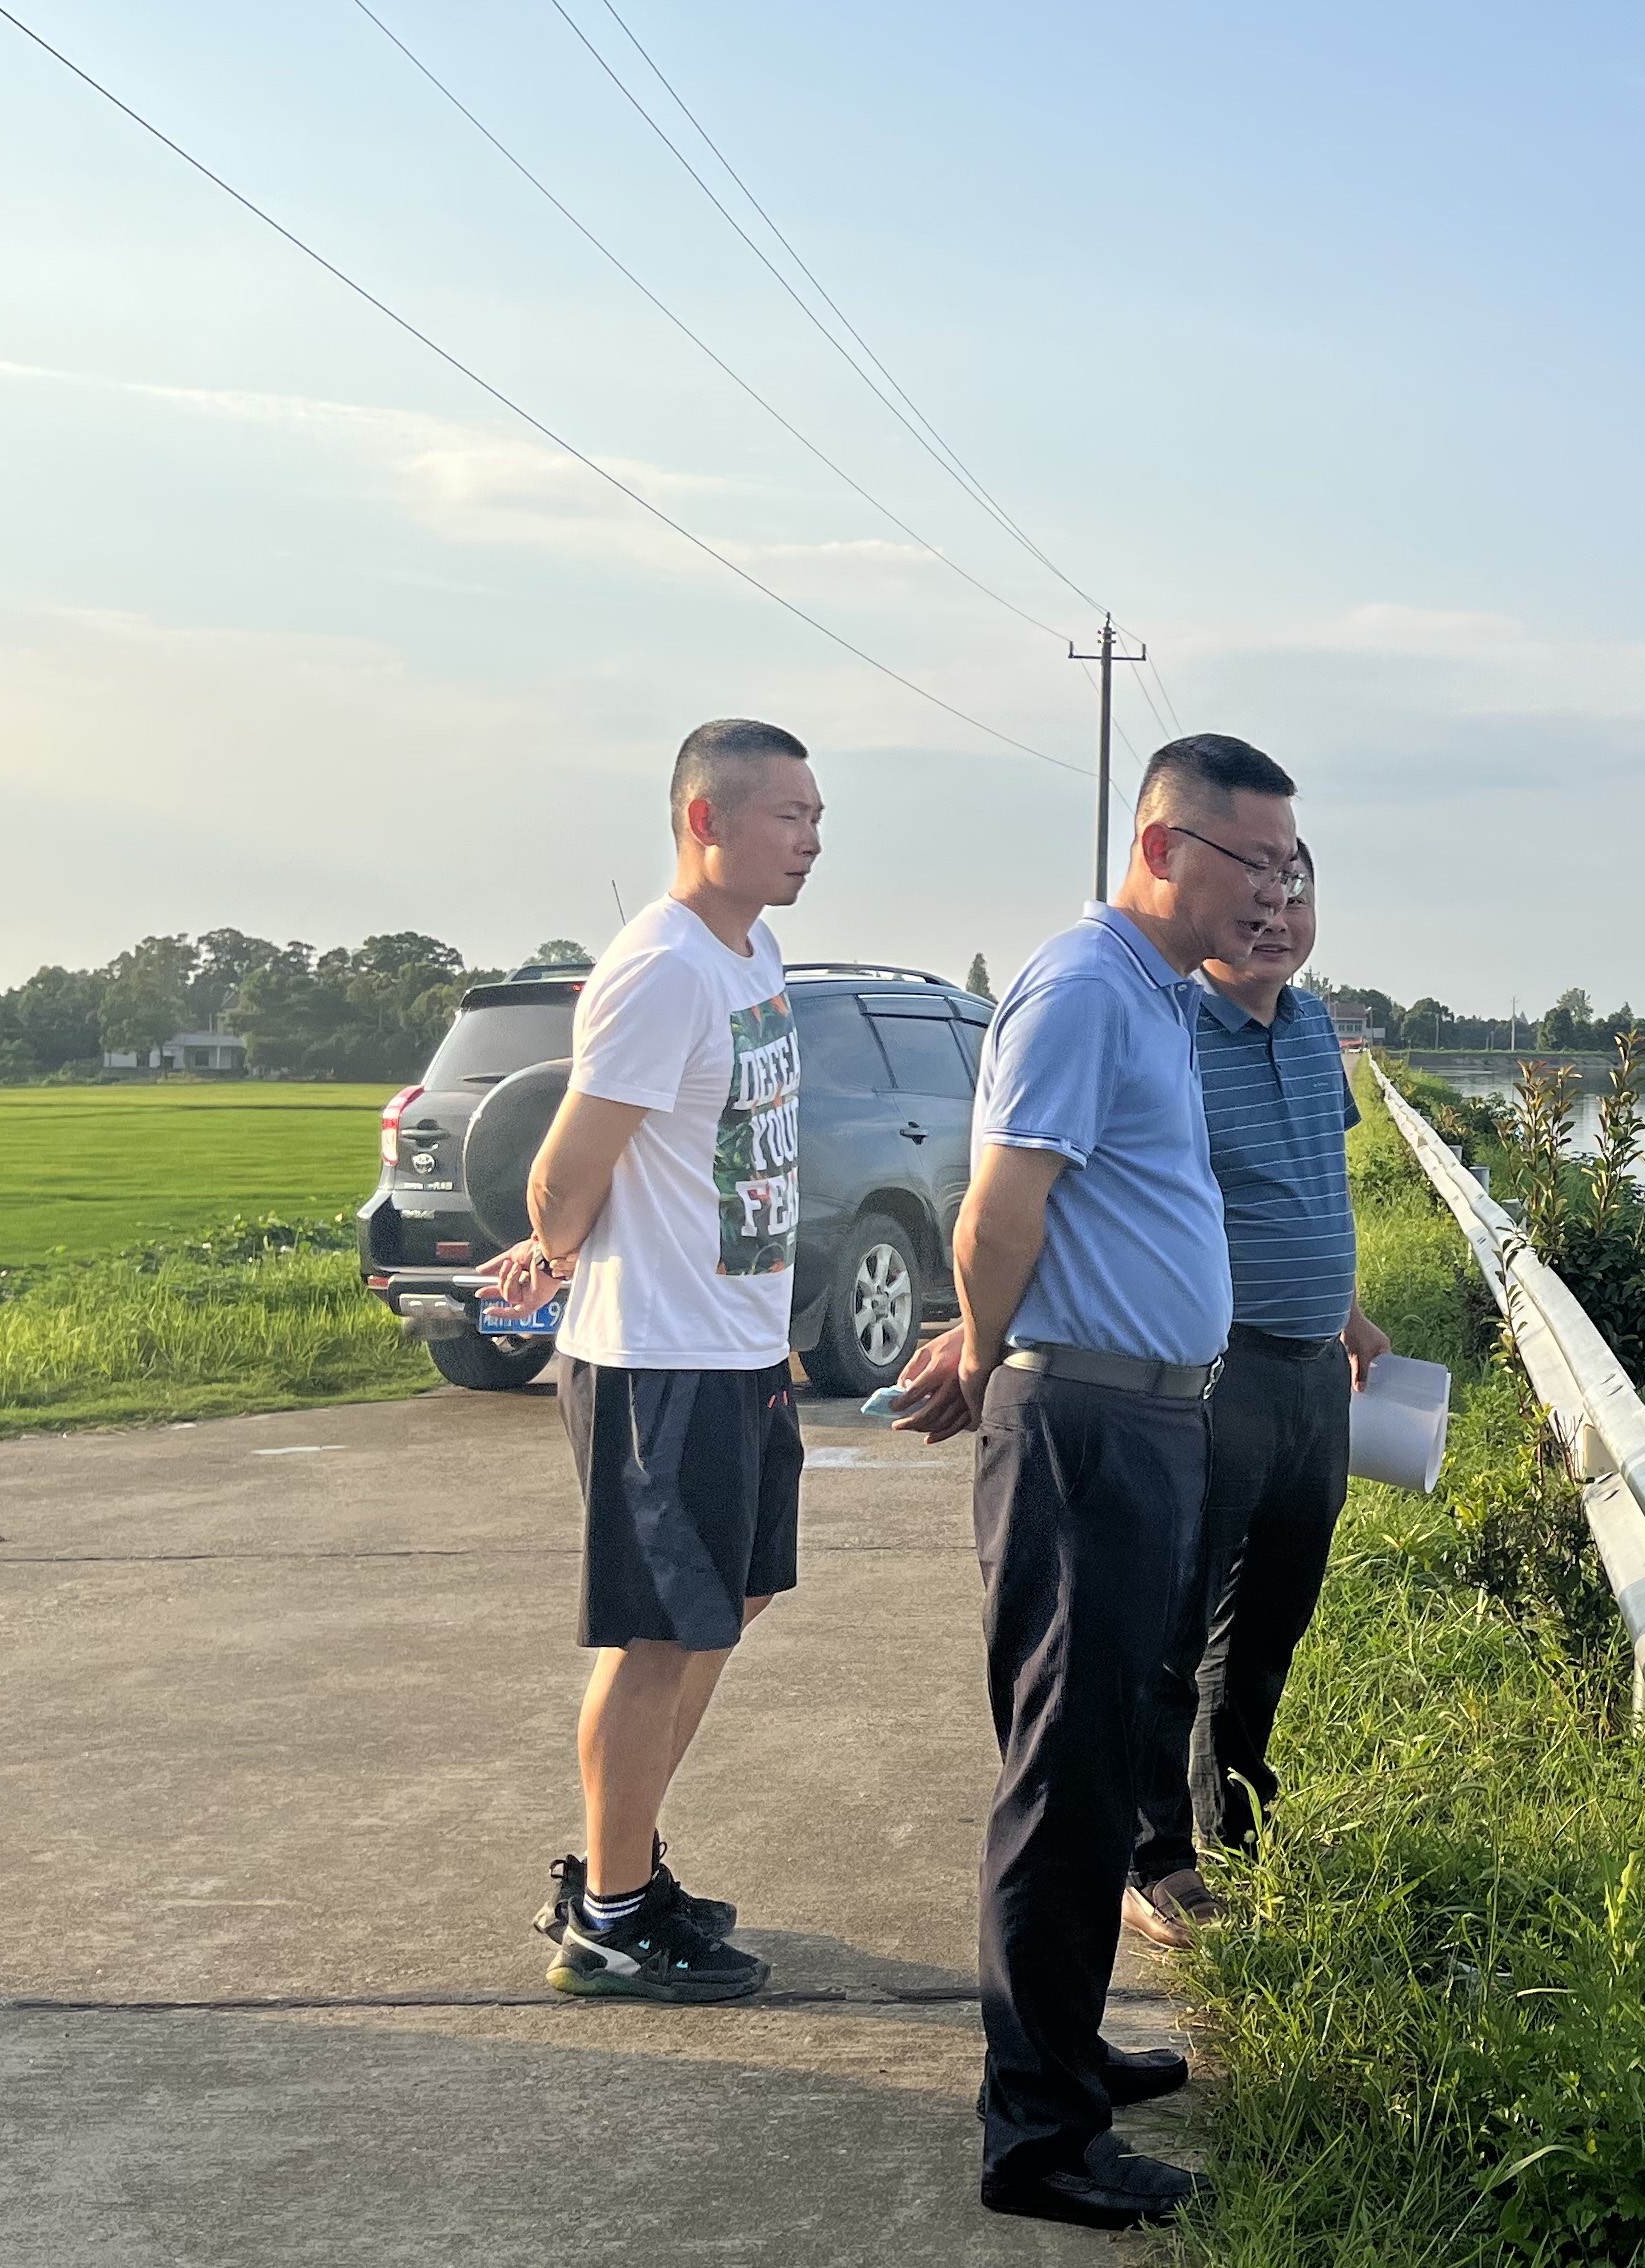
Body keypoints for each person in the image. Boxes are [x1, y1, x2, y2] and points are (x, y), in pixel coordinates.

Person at [889, 733, 1304, 2230]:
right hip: (1085, 1425)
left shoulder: (1154, 995)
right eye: (1253, 862)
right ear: (1163, 848)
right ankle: (1041, 2138)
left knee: (1113, 1745)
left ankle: (1065, 2051)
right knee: (1065, 1777)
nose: (1273, 894)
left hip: (1149, 1421)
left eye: (1288, 868)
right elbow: (1001, 1208)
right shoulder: (1079, 986)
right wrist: (983, 1347)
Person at [481, 718, 818, 2004]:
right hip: (656, 1361)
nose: (811, 839)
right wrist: (552, 1247)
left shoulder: (752, 951)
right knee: (656, 1638)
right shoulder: (662, 968)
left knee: (732, 1604)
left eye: (817, 817)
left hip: (738, 1347)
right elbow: (564, 1168)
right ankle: (612, 1919)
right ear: (706, 820)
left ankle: (618, 1864)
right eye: (789, 815)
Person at [1122, 849, 1387, 1951]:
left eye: (1300, 894)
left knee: (1271, 1618)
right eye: (1263, 893)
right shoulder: (1175, 1028)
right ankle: (1152, 1857)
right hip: (1214, 1367)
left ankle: (1231, 1827)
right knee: (1176, 1619)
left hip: (1315, 1371)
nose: (1279, 915)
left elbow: (1315, 1183)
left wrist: (1350, 1314)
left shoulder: (1317, 1028)